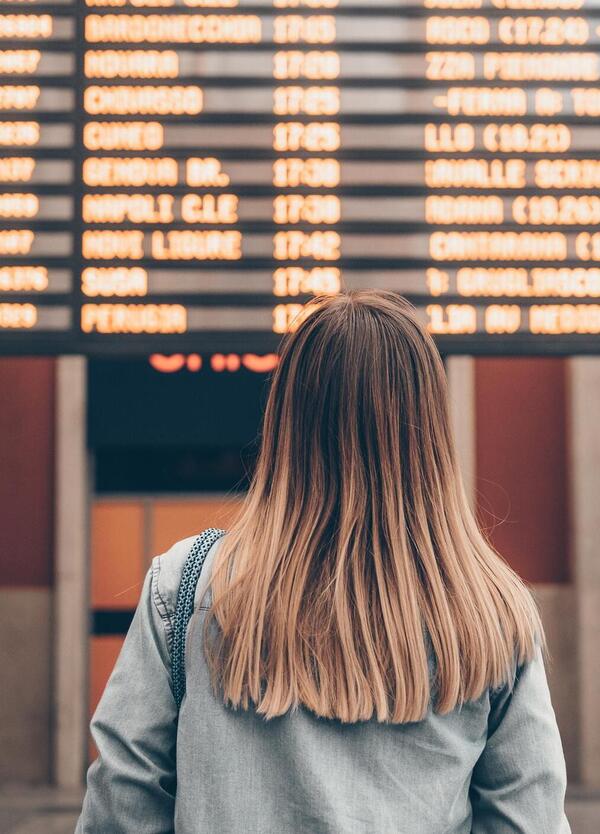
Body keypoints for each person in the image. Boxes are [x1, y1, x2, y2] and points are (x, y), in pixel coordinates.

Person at [75, 290, 571, 833]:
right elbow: (530, 820)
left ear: (286, 417)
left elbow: (120, 809)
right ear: (430, 426)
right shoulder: (492, 612)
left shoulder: (186, 584)